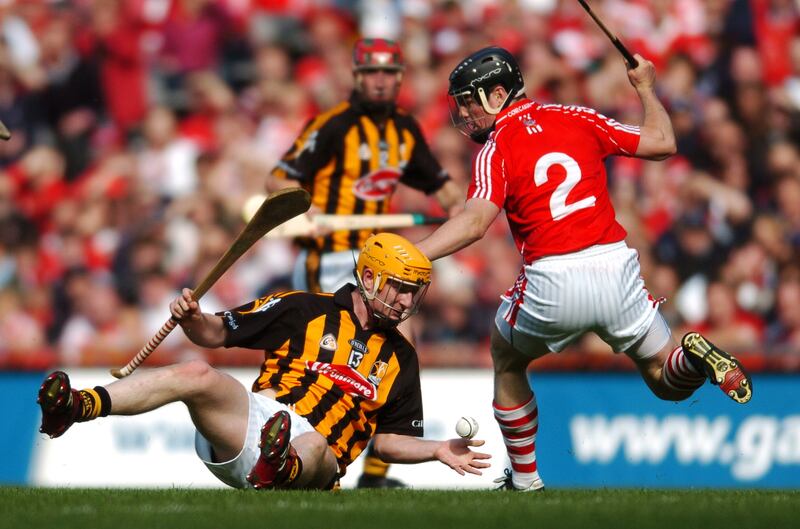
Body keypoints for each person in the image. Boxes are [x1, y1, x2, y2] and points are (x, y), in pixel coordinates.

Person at [415, 47, 753, 491]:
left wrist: (414, 255)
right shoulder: (578, 116)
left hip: (553, 276)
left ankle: (524, 480)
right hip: (616, 265)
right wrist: (647, 89)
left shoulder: (495, 147)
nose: (465, 114)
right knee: (666, 379)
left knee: (508, 357)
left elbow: (475, 223)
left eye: (470, 101)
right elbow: (663, 143)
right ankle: (692, 356)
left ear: (499, 94)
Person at [37, 233, 490, 490]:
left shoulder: (402, 358)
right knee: (196, 373)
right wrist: (194, 318)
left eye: (414, 291)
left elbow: (388, 442)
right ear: (368, 277)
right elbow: (217, 333)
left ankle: (282, 468)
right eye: (400, 286)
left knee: (315, 445)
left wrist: (436, 450)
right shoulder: (301, 308)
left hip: (315, 461)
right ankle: (76, 407)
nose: (408, 299)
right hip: (254, 427)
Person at [267, 37, 463, 487]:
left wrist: (458, 204)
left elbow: (440, 183)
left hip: (379, 263)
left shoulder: (405, 130)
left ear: (399, 79)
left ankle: (373, 470)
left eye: (389, 73)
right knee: (326, 356)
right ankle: (295, 443)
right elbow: (278, 176)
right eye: (371, 72)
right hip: (331, 255)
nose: (380, 81)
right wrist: (303, 206)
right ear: (356, 77)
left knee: (395, 353)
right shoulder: (333, 125)